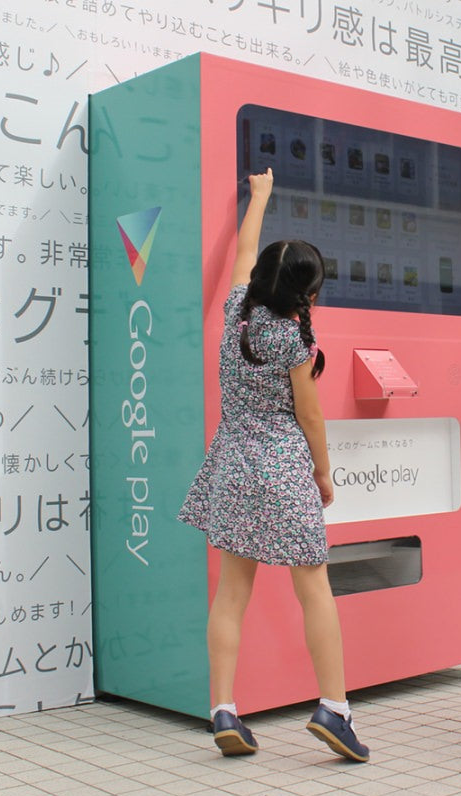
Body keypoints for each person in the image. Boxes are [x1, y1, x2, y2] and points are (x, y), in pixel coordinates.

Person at [176, 168, 368, 763]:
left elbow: (241, 255)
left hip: (232, 466)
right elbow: (310, 419)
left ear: (262, 279)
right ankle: (334, 709)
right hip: (283, 470)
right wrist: (325, 472)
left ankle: (225, 709)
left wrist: (258, 197)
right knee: (314, 588)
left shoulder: (235, 314)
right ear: (307, 297)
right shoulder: (294, 342)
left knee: (232, 593)